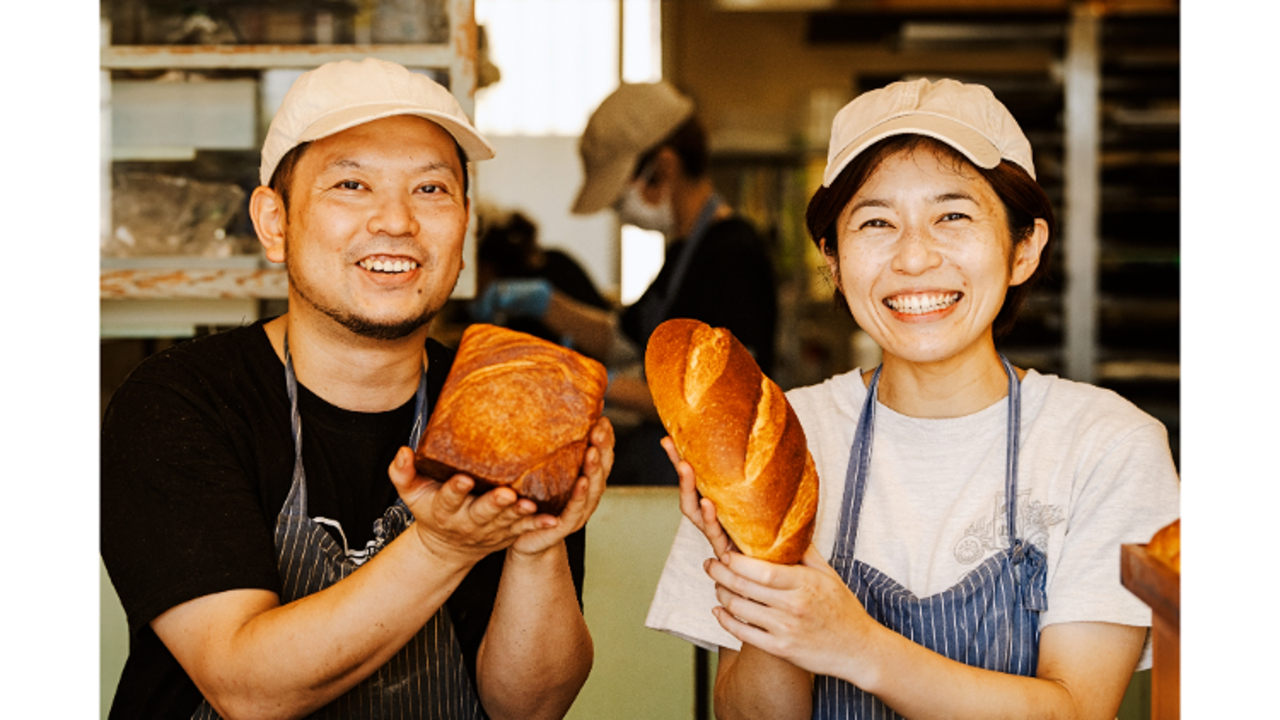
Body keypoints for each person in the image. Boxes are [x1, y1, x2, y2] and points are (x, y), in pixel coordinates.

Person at [645, 77, 1180, 719]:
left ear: (1024, 248)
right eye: (876, 221)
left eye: (953, 215)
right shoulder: (780, 435)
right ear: (834, 260)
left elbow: (1076, 711)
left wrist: (856, 646)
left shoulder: (1106, 445)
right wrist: (767, 564)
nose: (914, 257)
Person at [100, 57, 613, 720]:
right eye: (351, 184)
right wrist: (443, 547)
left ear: (466, 227)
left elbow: (528, 709)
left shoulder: (509, 404)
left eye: (431, 190)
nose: (396, 222)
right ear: (274, 222)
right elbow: (246, 686)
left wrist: (538, 544)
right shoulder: (182, 403)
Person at [473, 81, 778, 485]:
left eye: (620, 200)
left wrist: (593, 382)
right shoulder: (686, 251)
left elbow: (713, 400)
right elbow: (627, 339)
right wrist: (547, 305)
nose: (622, 214)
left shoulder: (732, 256)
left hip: (710, 477)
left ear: (663, 168)